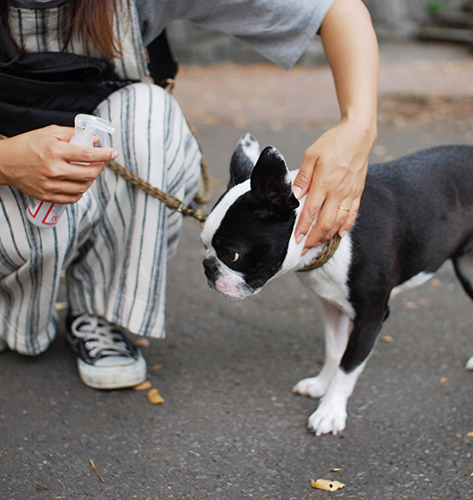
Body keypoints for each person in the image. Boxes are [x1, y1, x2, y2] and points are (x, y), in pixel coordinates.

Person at [0, 0, 378, 390]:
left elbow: (339, 10)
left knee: (150, 108)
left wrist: (358, 129)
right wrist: (6, 161)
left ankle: (108, 314)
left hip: (107, 158)